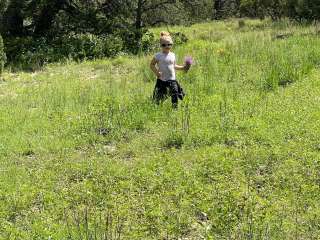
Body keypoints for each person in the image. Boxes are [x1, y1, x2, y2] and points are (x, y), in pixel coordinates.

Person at [150, 31, 189, 108]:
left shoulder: (173, 55)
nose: (167, 46)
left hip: (172, 80)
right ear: (160, 45)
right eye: (164, 45)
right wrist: (157, 72)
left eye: (169, 44)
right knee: (157, 98)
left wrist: (183, 67)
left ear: (171, 44)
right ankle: (156, 108)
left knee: (175, 95)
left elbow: (174, 66)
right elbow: (151, 65)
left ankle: (174, 110)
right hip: (162, 80)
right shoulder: (158, 55)